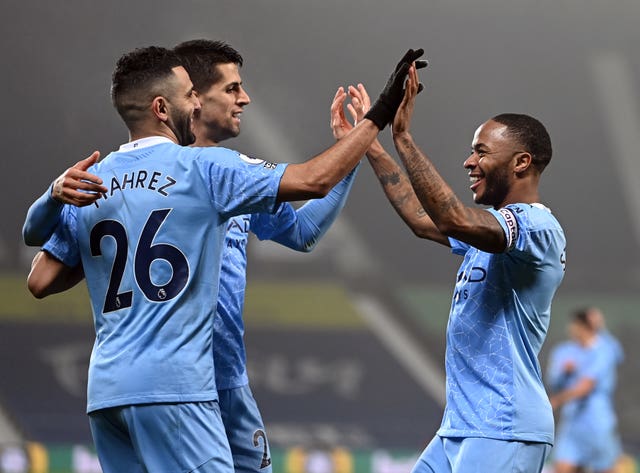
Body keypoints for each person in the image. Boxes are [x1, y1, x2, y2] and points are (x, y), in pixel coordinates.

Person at [23, 45, 423, 473]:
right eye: (219, 90)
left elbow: (41, 278)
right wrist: (375, 117)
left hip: (123, 387)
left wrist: (56, 205)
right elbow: (315, 180)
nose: (239, 99)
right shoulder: (209, 170)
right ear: (170, 104)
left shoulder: (94, 179)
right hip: (180, 383)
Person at [332, 65, 566, 472]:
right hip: (460, 427)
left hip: (504, 427)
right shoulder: (493, 229)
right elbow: (425, 220)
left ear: (521, 162)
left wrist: (403, 137)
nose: (469, 162)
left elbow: (453, 218)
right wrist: (368, 144)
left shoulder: (536, 228)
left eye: (481, 152)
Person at [548, 309, 623, 473]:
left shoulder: (604, 350)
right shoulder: (564, 351)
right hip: (572, 422)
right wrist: (564, 373)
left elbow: (586, 386)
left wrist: (556, 400)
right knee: (562, 467)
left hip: (597, 422)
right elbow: (553, 381)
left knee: (605, 468)